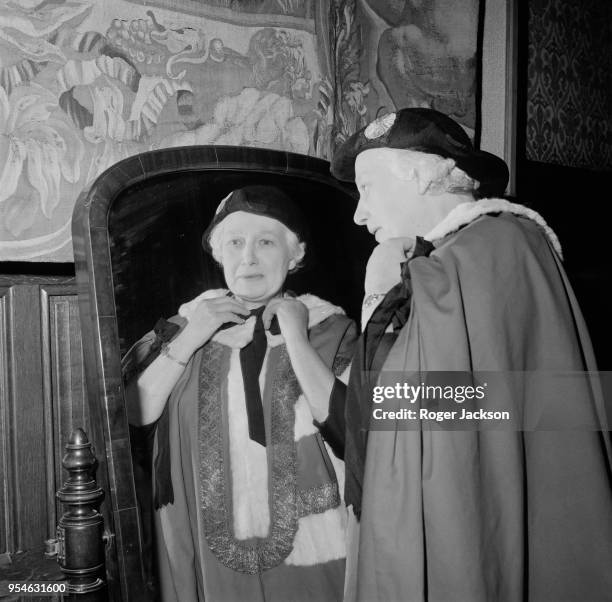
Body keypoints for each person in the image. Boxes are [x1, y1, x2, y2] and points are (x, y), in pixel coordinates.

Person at [328, 108, 612, 601]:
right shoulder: (445, 260)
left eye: (367, 188)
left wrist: (383, 288)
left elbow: (430, 405)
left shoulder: (497, 246)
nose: (358, 214)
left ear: (419, 173)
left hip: (468, 501)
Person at [123, 185, 357, 602]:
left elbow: (357, 432)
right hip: (204, 550)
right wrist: (191, 337)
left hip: (318, 553)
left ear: (295, 253)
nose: (247, 257)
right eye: (234, 242)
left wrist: (298, 340)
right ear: (218, 254)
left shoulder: (331, 331)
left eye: (265, 242)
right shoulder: (181, 328)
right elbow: (133, 415)